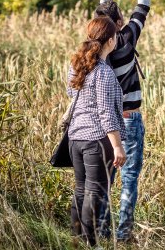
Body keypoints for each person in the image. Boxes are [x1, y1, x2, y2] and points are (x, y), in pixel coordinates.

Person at [95, 0, 151, 242]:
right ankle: (124, 234)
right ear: (119, 23)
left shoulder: (96, 46)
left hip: (104, 124)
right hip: (129, 120)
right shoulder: (127, 39)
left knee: (106, 179)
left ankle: (102, 233)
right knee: (129, 178)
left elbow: (104, 5)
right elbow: (143, 5)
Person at [67, 16, 126, 247]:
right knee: (94, 193)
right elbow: (105, 113)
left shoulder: (75, 65)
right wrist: (117, 146)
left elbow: (72, 96)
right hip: (95, 140)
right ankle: (91, 244)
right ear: (111, 41)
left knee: (81, 190)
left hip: (75, 138)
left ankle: (77, 240)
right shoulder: (103, 72)